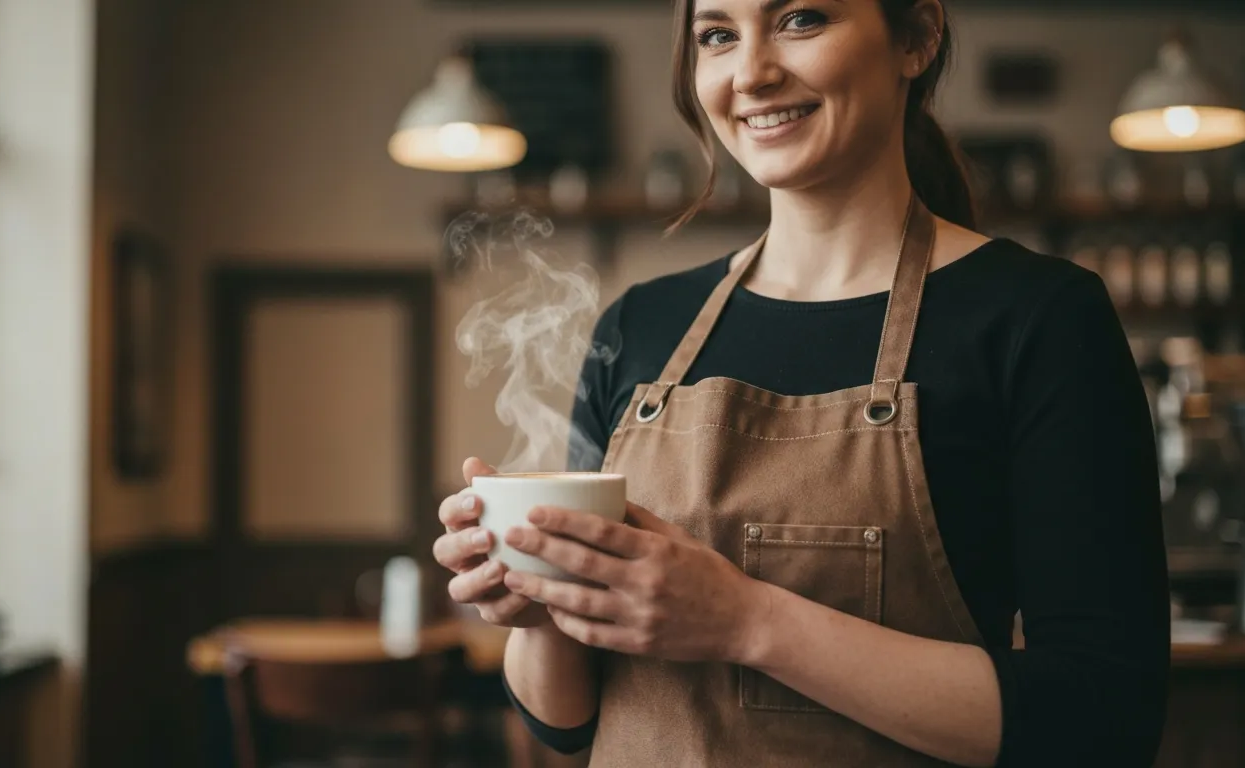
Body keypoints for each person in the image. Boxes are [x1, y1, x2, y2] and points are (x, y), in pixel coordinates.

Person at [432, 0, 1170, 765]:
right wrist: (537, 606)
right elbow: (568, 722)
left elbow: (1104, 721)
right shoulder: (639, 327)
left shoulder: (1040, 318)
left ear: (917, 37)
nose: (751, 72)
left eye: (802, 19)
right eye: (718, 35)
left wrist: (746, 622)